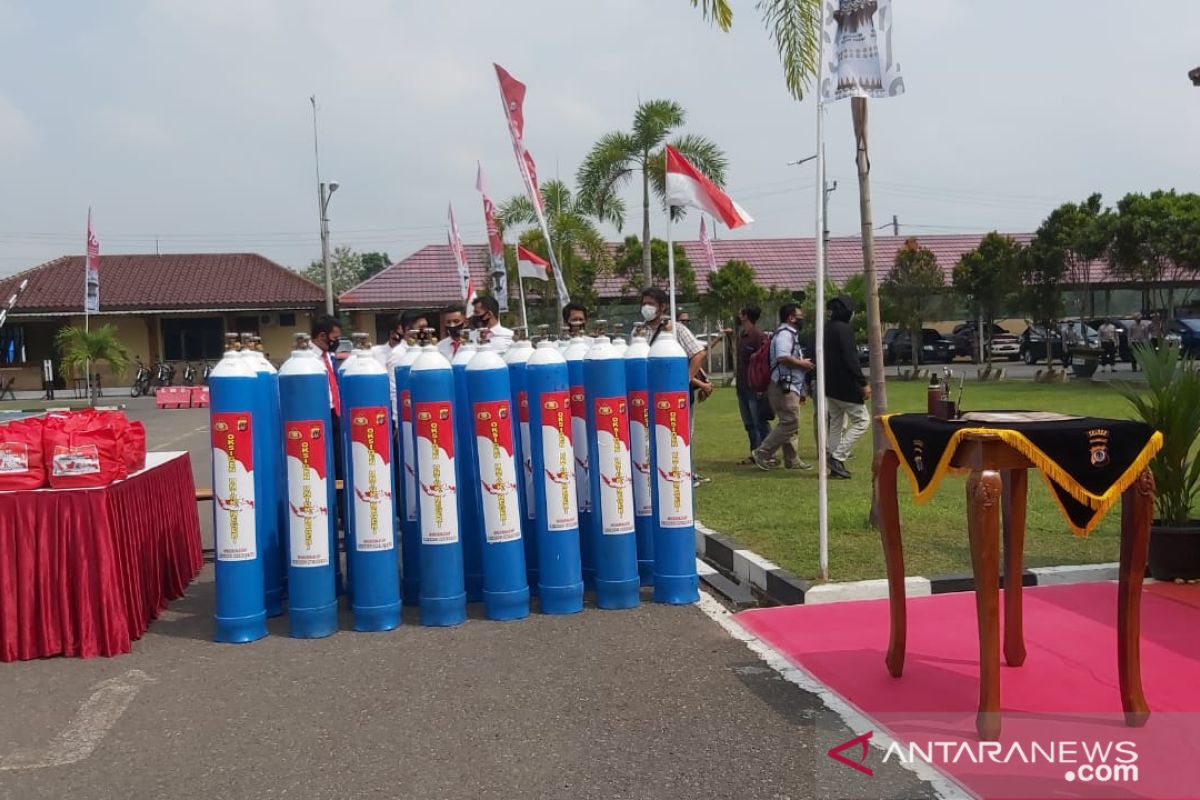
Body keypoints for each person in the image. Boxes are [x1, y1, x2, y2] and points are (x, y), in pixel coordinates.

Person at [641, 288, 711, 484]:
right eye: (644, 303)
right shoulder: (638, 331)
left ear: (662, 307)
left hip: (674, 394)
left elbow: (699, 353)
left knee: (678, 434)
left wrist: (685, 379)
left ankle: (684, 473)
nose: (646, 307)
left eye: (651, 304)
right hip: (648, 392)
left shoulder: (676, 330)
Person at [753, 303, 815, 472]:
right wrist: (802, 363)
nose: (802, 318)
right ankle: (763, 452)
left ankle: (792, 459)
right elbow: (782, 357)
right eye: (800, 315)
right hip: (783, 384)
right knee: (790, 421)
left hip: (788, 384)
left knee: (790, 420)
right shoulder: (785, 334)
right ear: (791, 317)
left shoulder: (788, 334)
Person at [823, 295, 870, 480]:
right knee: (862, 421)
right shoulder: (844, 330)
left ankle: (835, 464)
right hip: (845, 386)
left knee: (836, 423)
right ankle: (837, 456)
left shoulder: (826, 329)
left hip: (829, 385)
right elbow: (851, 359)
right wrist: (863, 383)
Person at [734, 305, 771, 461]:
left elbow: (763, 361)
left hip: (754, 386)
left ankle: (768, 453)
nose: (738, 315)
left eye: (740, 312)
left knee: (759, 421)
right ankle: (755, 451)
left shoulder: (758, 336)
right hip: (742, 385)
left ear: (745, 316)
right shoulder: (742, 335)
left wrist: (762, 386)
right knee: (749, 422)